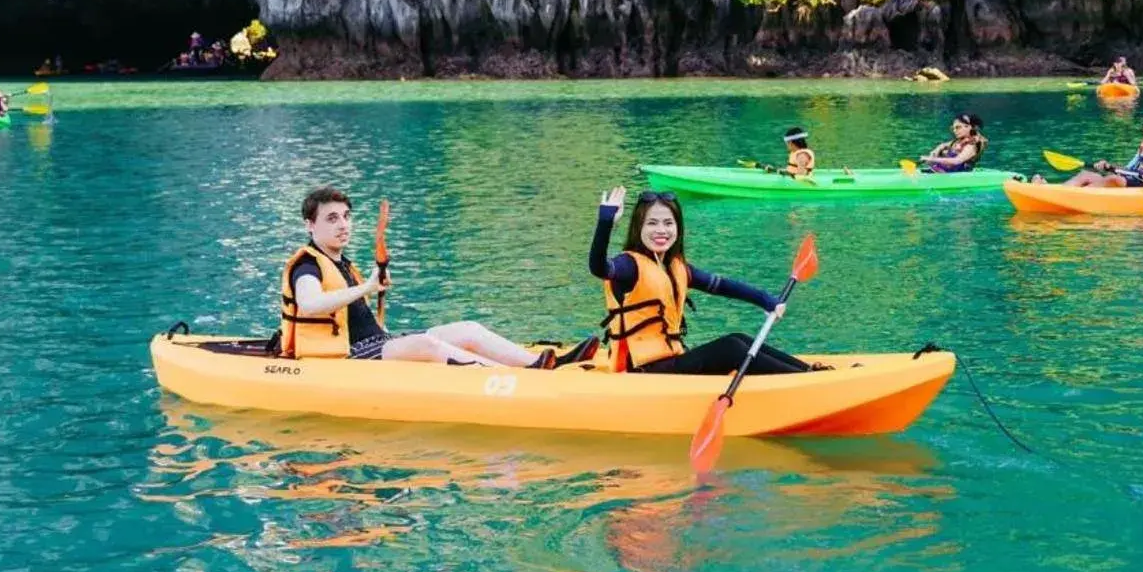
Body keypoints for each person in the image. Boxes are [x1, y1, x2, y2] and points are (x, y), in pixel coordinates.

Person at [281, 187, 557, 367]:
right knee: (426, 345)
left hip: (378, 342)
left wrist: (372, 285)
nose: (343, 225)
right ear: (310, 224)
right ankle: (517, 379)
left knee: (468, 329)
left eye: (346, 216)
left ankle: (539, 363)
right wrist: (366, 286)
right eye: (332, 219)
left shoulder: (340, 263)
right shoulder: (307, 265)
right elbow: (310, 304)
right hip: (348, 355)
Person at [590, 186, 820, 375]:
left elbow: (722, 285)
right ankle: (807, 381)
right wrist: (605, 222)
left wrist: (767, 301)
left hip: (670, 361)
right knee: (731, 349)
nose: (661, 230)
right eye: (652, 223)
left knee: (738, 339)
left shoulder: (675, 267)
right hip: (641, 370)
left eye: (668, 223)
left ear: (678, 228)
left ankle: (809, 372)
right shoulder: (628, 265)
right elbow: (598, 267)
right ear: (638, 228)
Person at [1061, 108, 1143, 187]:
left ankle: (1079, 196)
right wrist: (1109, 166)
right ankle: (1059, 191)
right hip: (1136, 181)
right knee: (1086, 174)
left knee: (1114, 180)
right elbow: (1128, 169)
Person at [920, 113, 987, 172]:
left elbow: (956, 161)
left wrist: (932, 159)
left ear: (969, 127)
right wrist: (936, 151)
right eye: (953, 128)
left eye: (958, 127)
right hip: (942, 172)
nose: (955, 131)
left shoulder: (971, 146)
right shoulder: (958, 141)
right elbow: (943, 145)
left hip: (956, 177)